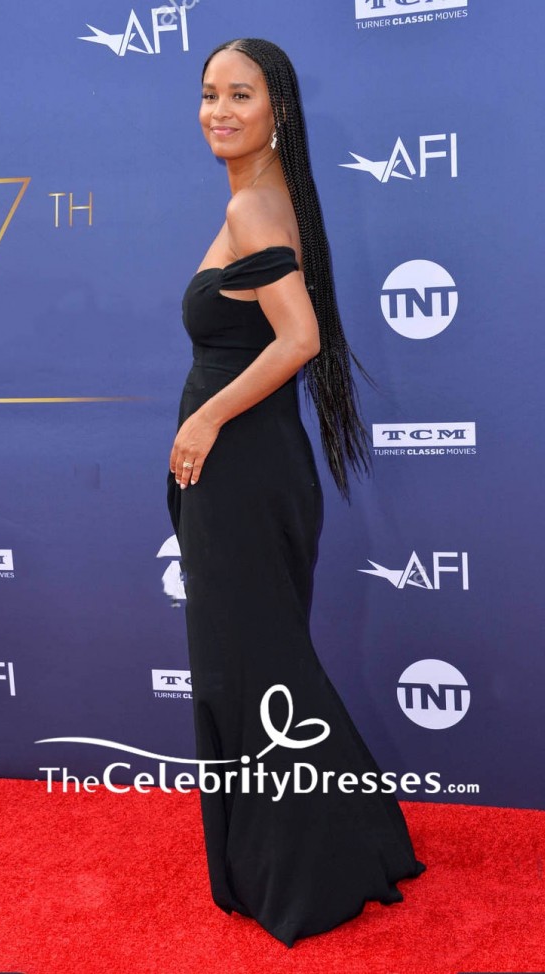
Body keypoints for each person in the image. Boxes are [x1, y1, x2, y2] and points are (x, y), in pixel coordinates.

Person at [166, 37, 426, 948]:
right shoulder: (255, 200)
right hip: (247, 472)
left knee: (256, 671)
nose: (219, 111)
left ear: (279, 109)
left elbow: (300, 339)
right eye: (208, 94)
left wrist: (203, 422)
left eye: (241, 94)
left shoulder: (257, 210)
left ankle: (310, 874)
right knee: (261, 664)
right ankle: (351, 841)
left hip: (243, 472)